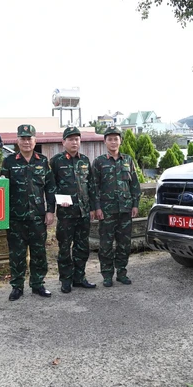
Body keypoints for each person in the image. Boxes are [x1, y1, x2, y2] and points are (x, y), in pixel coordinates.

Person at [0, 124, 55, 301]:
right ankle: (17, 286)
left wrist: (50, 211)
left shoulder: (43, 161)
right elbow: (2, 189)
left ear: (35, 140)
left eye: (29, 138)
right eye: (22, 138)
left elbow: (50, 188)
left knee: (39, 252)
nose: (26, 141)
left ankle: (38, 284)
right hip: (15, 217)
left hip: (38, 216)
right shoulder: (9, 162)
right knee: (17, 253)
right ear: (17, 140)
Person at [92, 125, 141, 287]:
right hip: (106, 211)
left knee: (124, 244)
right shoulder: (99, 162)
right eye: (110, 139)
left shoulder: (127, 160)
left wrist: (135, 204)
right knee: (106, 244)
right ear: (105, 141)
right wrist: (97, 207)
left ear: (120, 141)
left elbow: (134, 184)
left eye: (116, 139)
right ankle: (107, 275)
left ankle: (121, 272)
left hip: (125, 210)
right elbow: (94, 187)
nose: (113, 142)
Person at [49, 126, 96, 293]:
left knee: (82, 247)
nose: (74, 142)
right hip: (66, 214)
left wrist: (92, 208)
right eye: (71, 139)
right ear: (64, 142)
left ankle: (79, 277)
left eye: (77, 139)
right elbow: (51, 186)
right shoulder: (56, 161)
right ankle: (66, 280)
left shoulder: (85, 160)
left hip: (83, 212)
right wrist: (56, 202)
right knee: (64, 248)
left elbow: (90, 186)